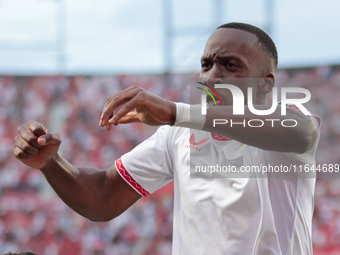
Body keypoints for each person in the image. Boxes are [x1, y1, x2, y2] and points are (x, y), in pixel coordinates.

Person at [12, 22, 320, 255]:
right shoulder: (179, 135)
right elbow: (102, 197)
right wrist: (51, 163)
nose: (212, 77)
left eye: (231, 65)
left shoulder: (288, 116)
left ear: (266, 83)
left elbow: (301, 134)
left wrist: (175, 111)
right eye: (206, 65)